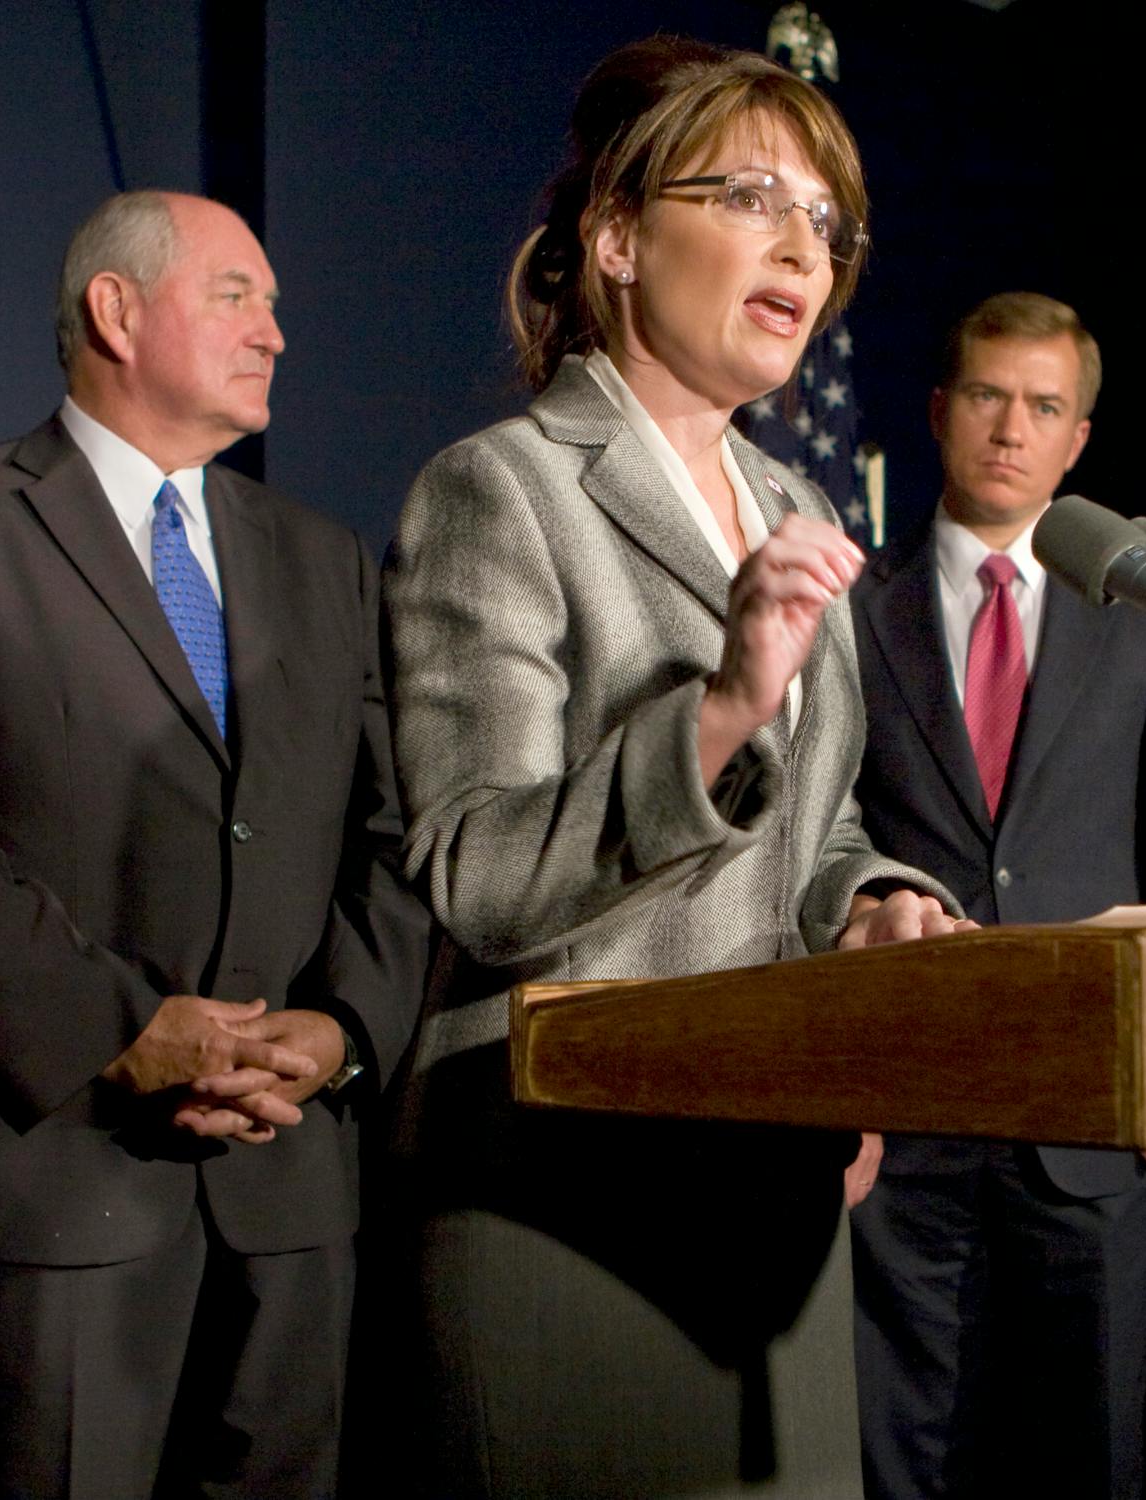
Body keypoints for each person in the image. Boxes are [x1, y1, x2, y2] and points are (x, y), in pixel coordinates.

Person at [379, 36, 965, 1499]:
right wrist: (715, 711)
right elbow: (479, 874)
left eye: (827, 221)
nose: (803, 246)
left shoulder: (794, 495)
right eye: (756, 197)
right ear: (621, 239)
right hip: (568, 1191)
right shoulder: (499, 489)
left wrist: (874, 901)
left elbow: (808, 831)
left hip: (774, 1189)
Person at [0, 190, 427, 1499]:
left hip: (288, 1200)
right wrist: (127, 1026)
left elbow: (393, 833)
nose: (276, 331)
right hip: (54, 1200)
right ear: (114, 308)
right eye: (237, 296)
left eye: (273, 304)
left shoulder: (323, 558)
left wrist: (339, 1038)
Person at [846, 291, 1146, 1498]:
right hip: (907, 1118)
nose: (1013, 429)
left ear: (1079, 442)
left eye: (1045, 407)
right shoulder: (857, 605)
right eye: (991, 397)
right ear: (941, 411)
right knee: (904, 1451)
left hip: (1096, 1115)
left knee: (1090, 1450)